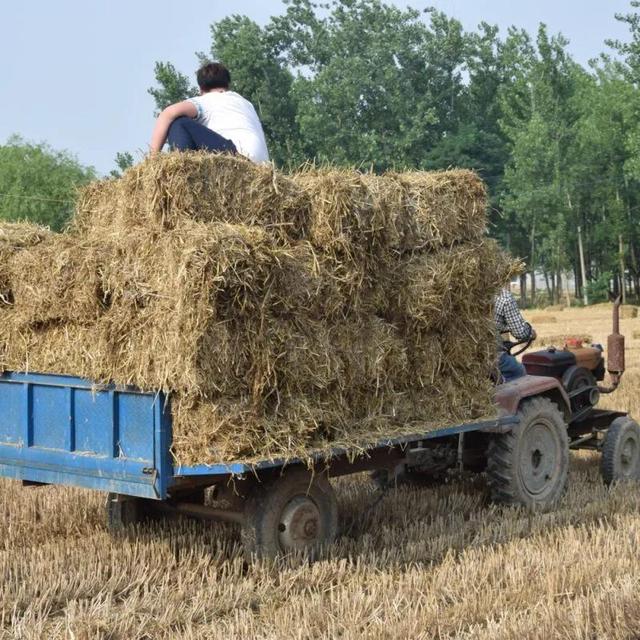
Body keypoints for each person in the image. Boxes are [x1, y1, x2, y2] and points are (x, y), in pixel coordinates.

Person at [149, 62, 270, 163]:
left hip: (238, 158)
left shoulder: (206, 100)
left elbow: (167, 113)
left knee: (178, 123)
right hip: (260, 168)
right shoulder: (245, 103)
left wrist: (152, 163)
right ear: (228, 85)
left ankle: (182, 170)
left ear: (201, 89)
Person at [494, 287, 536, 382]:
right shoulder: (503, 296)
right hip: (491, 356)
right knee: (519, 372)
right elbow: (519, 332)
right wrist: (530, 333)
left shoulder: (460, 290)